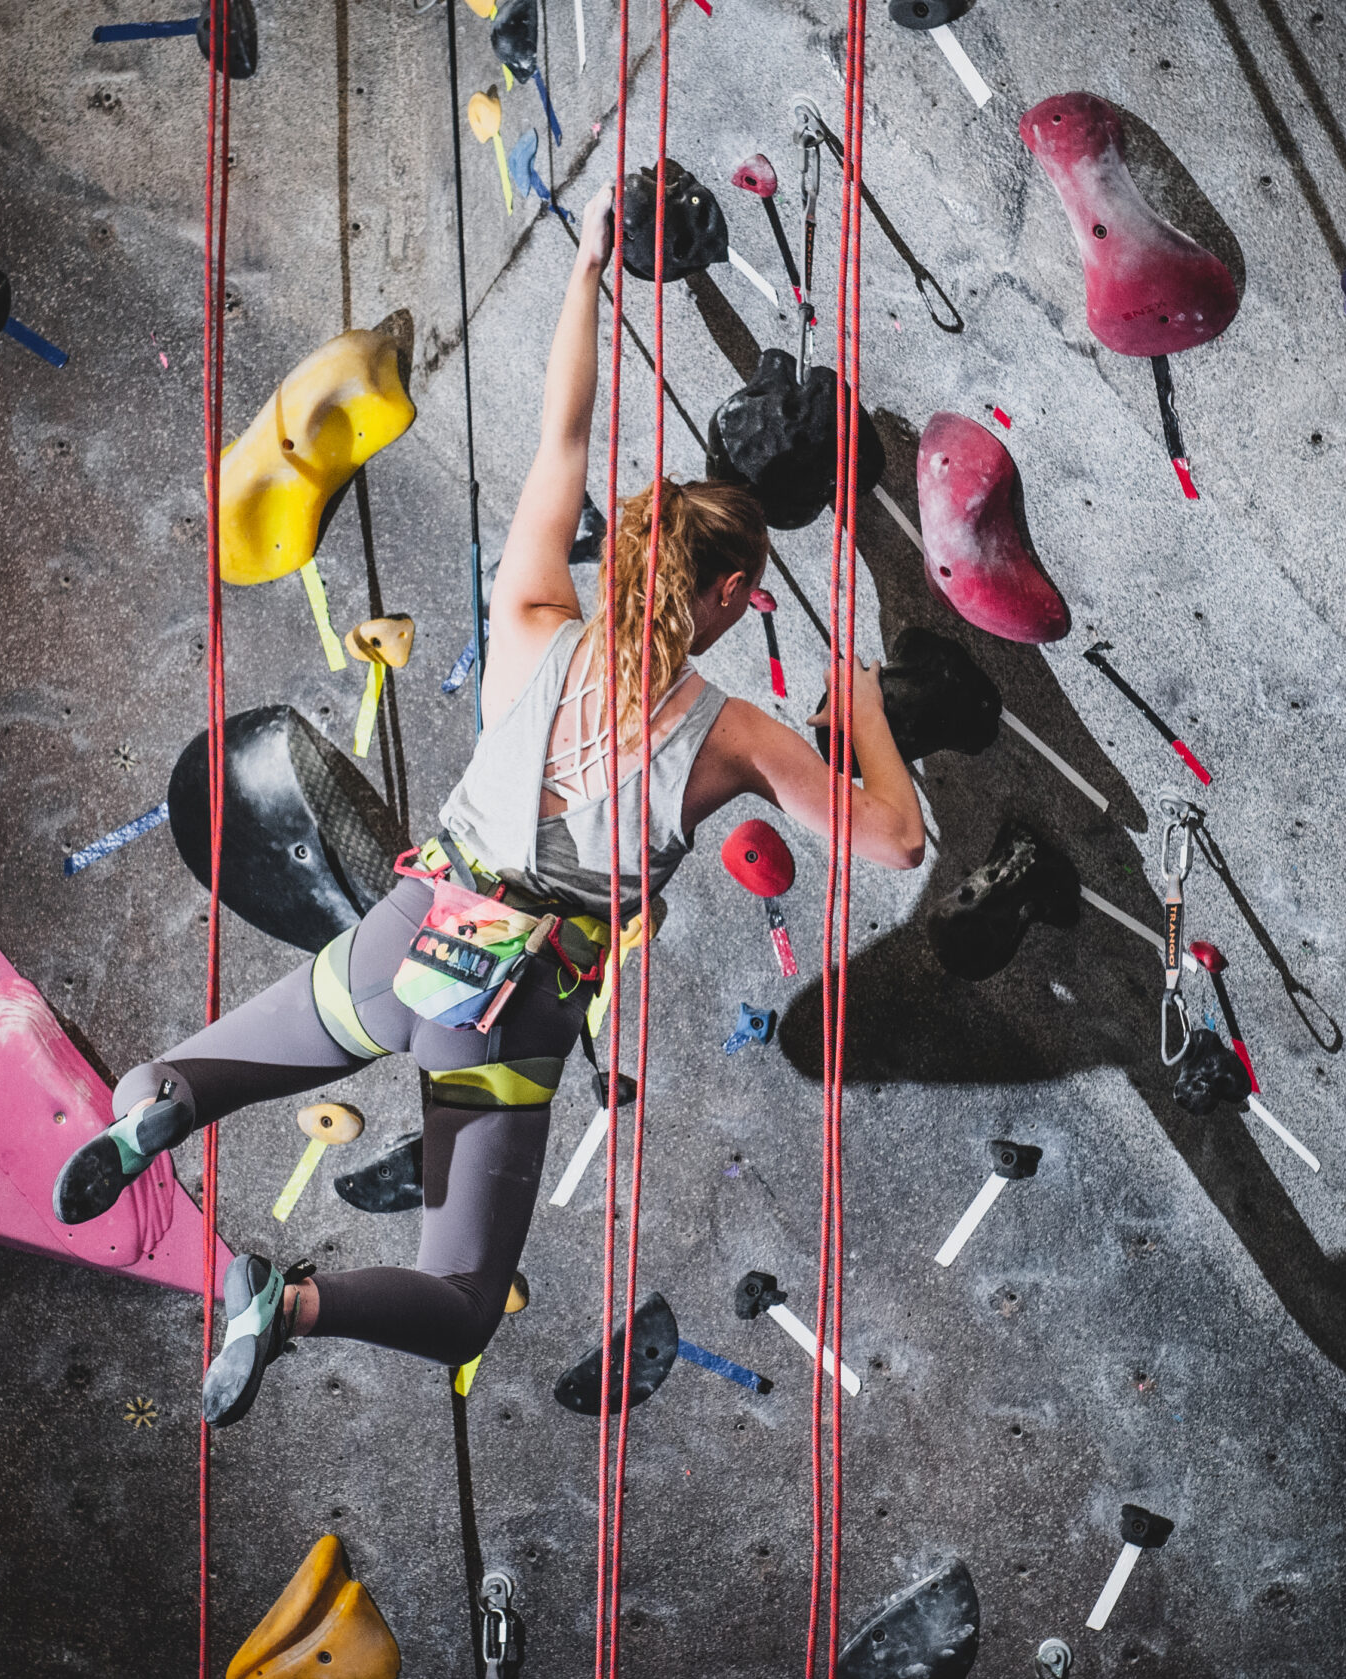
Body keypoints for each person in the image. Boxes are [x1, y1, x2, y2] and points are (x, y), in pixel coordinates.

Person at [52, 190, 927, 1426]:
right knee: (459, 1297)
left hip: (404, 937)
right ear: (730, 595)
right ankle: (285, 1305)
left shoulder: (533, 619)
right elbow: (892, 838)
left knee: (182, 1071)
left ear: (618, 559)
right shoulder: (729, 736)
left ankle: (158, 1115)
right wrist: (864, 704)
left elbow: (558, 441)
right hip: (505, 1011)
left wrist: (584, 277)